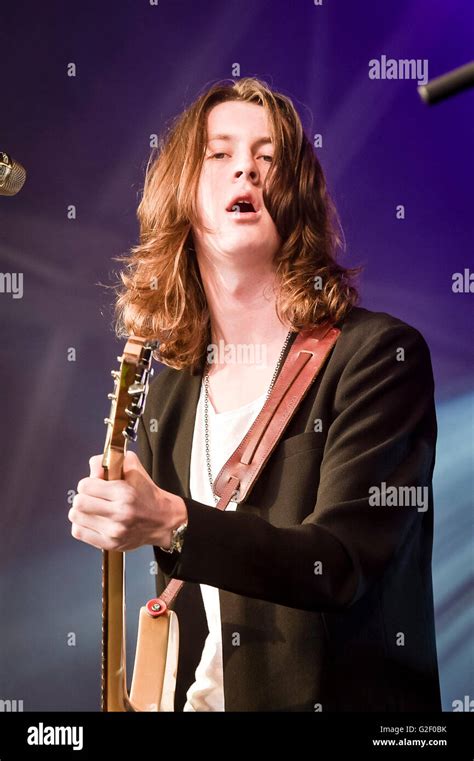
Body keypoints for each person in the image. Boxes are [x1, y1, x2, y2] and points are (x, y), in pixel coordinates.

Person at [69, 77, 442, 712]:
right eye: (219, 154)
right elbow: (196, 604)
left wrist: (172, 520)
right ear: (182, 195)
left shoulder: (377, 357)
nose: (246, 166)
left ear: (296, 195)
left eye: (268, 157)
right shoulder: (171, 395)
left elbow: (340, 564)